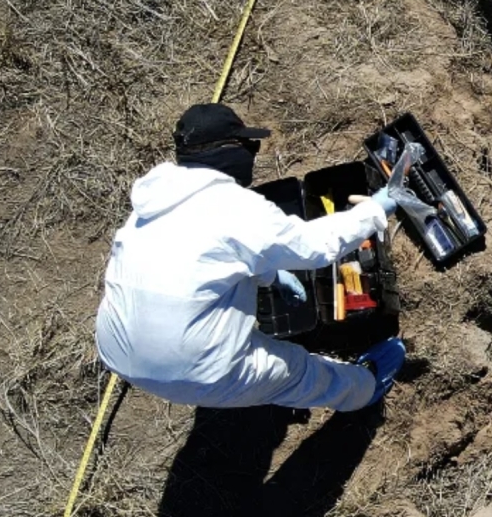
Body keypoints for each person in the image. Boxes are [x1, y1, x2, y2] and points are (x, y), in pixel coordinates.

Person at [95, 103, 406, 411]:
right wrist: (375, 208)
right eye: (251, 146)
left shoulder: (153, 204)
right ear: (230, 150)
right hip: (201, 370)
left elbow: (206, 258)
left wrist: (270, 275)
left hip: (118, 353)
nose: (253, 155)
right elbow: (316, 246)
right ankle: (365, 388)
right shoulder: (235, 207)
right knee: (298, 372)